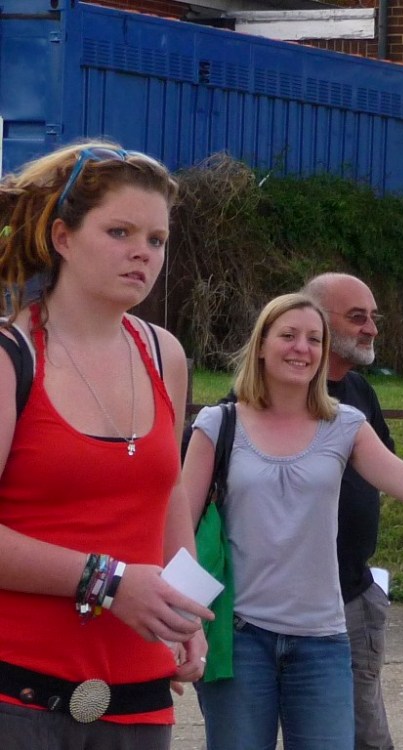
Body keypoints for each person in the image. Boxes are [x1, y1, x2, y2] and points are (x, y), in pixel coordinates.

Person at [183, 293, 403, 750]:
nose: (302, 348)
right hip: (239, 638)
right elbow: (179, 529)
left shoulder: (346, 425)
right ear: (261, 345)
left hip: (322, 642)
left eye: (314, 339)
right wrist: (181, 623)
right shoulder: (219, 424)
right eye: (288, 335)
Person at [0, 142, 211, 747]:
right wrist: (107, 581)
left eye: (157, 239)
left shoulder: (165, 354)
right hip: (19, 696)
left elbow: (168, 496)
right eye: (120, 232)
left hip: (139, 699)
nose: (143, 252)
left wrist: (186, 607)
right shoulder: (12, 358)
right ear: (62, 238)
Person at [303, 272, 396, 750]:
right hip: (282, 608)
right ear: (316, 319)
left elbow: (399, 478)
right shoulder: (275, 396)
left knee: (367, 737)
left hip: (353, 596)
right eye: (357, 317)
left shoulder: (360, 392)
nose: (371, 329)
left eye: (373, 317)